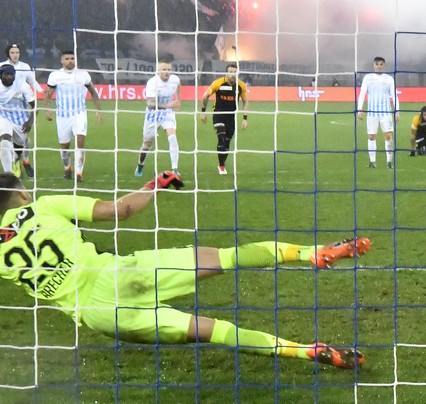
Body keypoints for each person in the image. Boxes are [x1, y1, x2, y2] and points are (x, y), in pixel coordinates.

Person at [0, 171, 370, 369]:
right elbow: (120, 210)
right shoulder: (42, 206)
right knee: (223, 257)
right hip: (119, 274)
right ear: (20, 194)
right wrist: (155, 183)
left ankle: (306, 351)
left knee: (211, 331)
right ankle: (311, 253)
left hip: (98, 316)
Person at [44, 50, 103, 182]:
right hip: (62, 116)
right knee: (64, 146)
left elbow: (93, 92)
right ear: (61, 60)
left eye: (72, 58)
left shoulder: (83, 75)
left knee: (80, 143)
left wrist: (98, 110)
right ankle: (67, 167)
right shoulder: (55, 76)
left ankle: (79, 173)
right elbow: (48, 94)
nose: (70, 61)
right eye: (67, 59)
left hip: (80, 114)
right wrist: (47, 110)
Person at [200, 63, 248, 175]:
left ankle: (221, 163)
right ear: (226, 73)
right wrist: (203, 112)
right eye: (230, 72)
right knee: (221, 138)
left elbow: (245, 102)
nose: (232, 74)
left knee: (227, 142)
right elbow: (205, 96)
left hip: (231, 117)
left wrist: (245, 118)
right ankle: (221, 167)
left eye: (234, 72)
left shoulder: (241, 86)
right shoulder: (218, 83)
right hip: (218, 114)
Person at [136, 60, 182, 177]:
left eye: (168, 70)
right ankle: (140, 165)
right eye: (164, 70)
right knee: (147, 144)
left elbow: (178, 85)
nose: (167, 72)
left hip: (167, 114)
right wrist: (169, 105)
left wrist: (179, 100)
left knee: (172, 137)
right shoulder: (152, 83)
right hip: (153, 115)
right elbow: (150, 104)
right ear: (158, 71)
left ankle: (175, 169)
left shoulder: (174, 79)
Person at [3, 44, 42, 178]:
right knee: (5, 139)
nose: (15, 54)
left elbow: (33, 82)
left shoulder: (24, 67)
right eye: (13, 52)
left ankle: (23, 160)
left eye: (17, 52)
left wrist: (42, 91)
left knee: (24, 141)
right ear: (8, 53)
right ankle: (11, 170)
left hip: (22, 106)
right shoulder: (2, 65)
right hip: (4, 111)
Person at [357, 56, 399, 169]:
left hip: (386, 112)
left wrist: (397, 111)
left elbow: (394, 95)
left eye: (381, 64)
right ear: (373, 65)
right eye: (377, 64)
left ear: (383, 66)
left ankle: (389, 162)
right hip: (372, 112)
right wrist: (359, 108)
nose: (379, 66)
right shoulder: (368, 78)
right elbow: (362, 93)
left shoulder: (389, 79)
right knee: (371, 136)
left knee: (388, 136)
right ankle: (372, 161)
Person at [0, 65, 36, 175]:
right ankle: (8, 175)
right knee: (4, 141)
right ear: (1, 75)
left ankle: (15, 160)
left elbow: (35, 106)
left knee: (18, 148)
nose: (10, 77)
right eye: (7, 74)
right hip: (3, 118)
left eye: (12, 74)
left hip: (21, 122)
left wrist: (30, 122)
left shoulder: (22, 86)